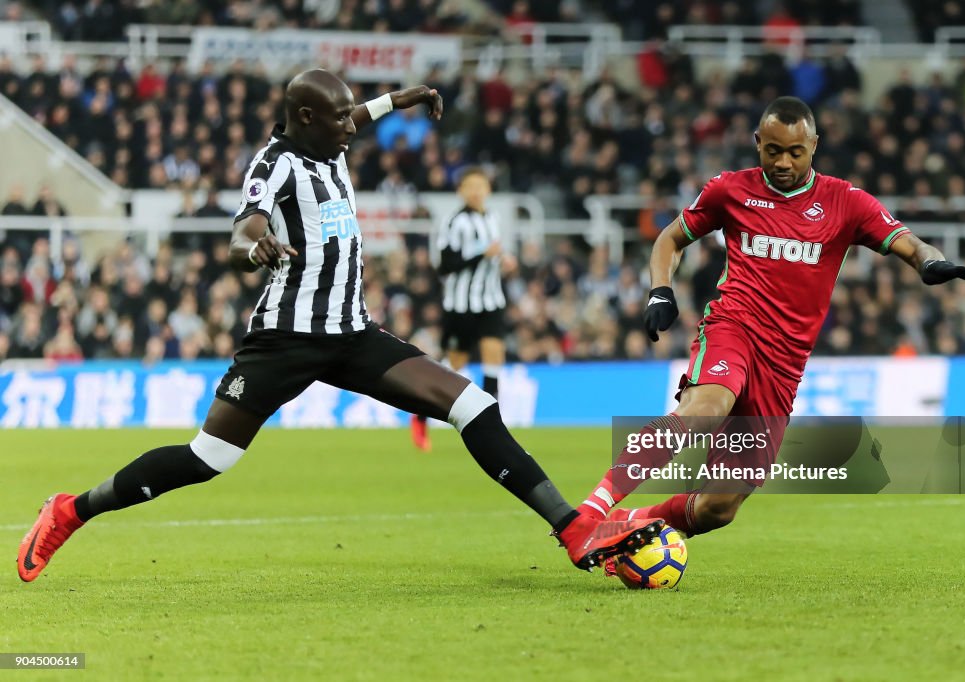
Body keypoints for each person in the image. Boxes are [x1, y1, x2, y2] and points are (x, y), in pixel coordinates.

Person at [17, 69, 664, 583]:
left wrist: (404, 98)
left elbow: (357, 115)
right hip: (284, 340)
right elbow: (245, 222)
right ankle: (70, 511)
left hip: (353, 333)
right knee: (207, 457)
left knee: (472, 402)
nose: (349, 129)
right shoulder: (276, 164)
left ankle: (571, 527)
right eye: (336, 118)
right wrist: (258, 245)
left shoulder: (330, 137)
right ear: (303, 119)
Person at [572, 96, 965, 572]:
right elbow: (670, 238)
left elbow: (905, 240)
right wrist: (660, 290)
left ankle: (625, 525)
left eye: (795, 152)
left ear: (814, 146)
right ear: (758, 143)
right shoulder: (729, 190)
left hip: (784, 366)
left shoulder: (846, 201)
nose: (782, 162)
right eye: (773, 150)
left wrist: (927, 262)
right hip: (733, 327)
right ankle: (590, 513)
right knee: (704, 408)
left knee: (719, 508)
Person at [410, 167, 512, 451]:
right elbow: (445, 265)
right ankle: (420, 414)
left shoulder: (493, 218)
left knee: (494, 357)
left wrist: (505, 262)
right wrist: (480, 255)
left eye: (481, 186)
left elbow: (495, 254)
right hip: (461, 304)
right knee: (454, 365)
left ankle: (494, 428)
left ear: (488, 190)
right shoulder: (455, 222)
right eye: (471, 186)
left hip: (491, 301)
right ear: (461, 191)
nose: (477, 191)